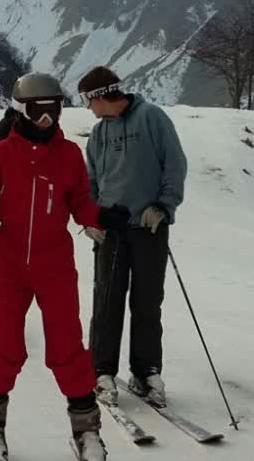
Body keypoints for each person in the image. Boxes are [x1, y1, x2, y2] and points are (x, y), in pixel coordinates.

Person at [0, 72, 130, 461]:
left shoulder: (68, 155)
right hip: (10, 262)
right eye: (38, 111)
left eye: (53, 109)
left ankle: (86, 429)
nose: (47, 119)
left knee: (67, 345)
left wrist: (102, 216)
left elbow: (80, 204)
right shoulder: (1, 155)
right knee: (6, 344)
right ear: (21, 111)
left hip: (54, 263)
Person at [77, 65, 187, 408]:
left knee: (147, 301)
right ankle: (101, 371)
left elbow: (174, 164)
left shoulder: (151, 118)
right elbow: (90, 180)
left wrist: (164, 205)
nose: (87, 108)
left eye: (88, 100)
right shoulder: (99, 133)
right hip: (111, 230)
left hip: (149, 227)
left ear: (101, 95)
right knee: (106, 302)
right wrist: (92, 217)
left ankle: (146, 371)